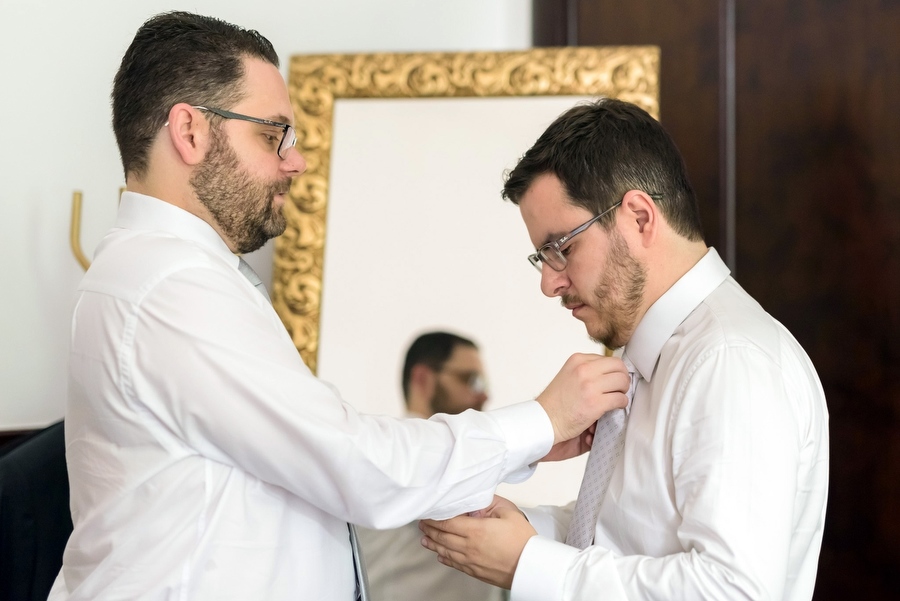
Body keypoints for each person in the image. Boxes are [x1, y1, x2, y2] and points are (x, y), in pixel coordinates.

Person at [48, 12, 632, 601]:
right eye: (272, 134)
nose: (295, 160)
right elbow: (353, 463)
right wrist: (541, 420)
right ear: (190, 131)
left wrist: (525, 445)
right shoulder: (168, 286)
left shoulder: (169, 276)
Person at [420, 98, 830, 600]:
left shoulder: (728, 359)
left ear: (638, 217)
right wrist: (524, 531)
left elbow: (732, 589)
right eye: (542, 257)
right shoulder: (655, 357)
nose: (549, 283)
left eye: (562, 248)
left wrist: (527, 563)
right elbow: (632, 536)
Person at [358, 332, 505, 601]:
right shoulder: (393, 453)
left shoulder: (464, 462)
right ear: (423, 378)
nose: (484, 394)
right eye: (470, 380)